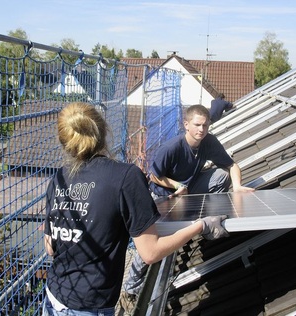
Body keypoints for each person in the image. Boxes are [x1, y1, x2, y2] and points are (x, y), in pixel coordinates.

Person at [42, 102, 229, 316]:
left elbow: (50, 247)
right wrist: (201, 225)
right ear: (104, 132)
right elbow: (150, 253)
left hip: (53, 298)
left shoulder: (58, 180)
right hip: (89, 306)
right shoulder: (125, 177)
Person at [122, 104, 254, 308]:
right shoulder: (171, 148)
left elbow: (231, 165)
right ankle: (131, 288)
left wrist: (236, 186)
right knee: (151, 241)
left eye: (205, 125)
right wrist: (176, 185)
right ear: (186, 125)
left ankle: (203, 217)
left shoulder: (208, 142)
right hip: (164, 195)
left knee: (221, 176)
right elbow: (154, 176)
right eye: (197, 125)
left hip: (188, 190)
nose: (202, 129)